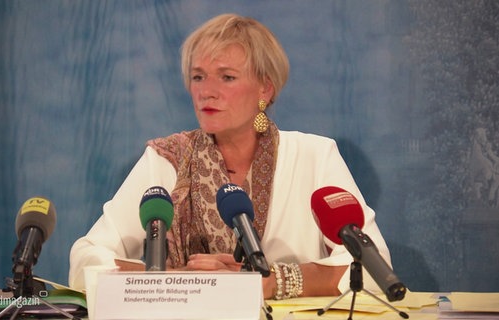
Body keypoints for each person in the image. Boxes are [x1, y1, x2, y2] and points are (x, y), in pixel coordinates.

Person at [69, 13, 393, 300]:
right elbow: (85, 259)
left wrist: (268, 282)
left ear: (265, 90)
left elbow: (374, 263)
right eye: (198, 76)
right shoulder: (166, 159)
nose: (206, 91)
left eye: (227, 77)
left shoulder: (315, 156)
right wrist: (181, 281)